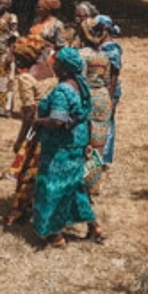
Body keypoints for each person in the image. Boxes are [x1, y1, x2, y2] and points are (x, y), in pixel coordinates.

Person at [32, 48, 102, 248]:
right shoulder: (81, 86)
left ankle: (55, 235)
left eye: (56, 63)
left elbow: (57, 121)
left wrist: (37, 121)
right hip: (78, 141)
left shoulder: (62, 90)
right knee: (75, 185)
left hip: (60, 146)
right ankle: (94, 225)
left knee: (52, 187)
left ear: (64, 68)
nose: (53, 65)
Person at [3, 36, 57, 225]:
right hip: (53, 124)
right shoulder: (50, 69)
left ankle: (19, 210)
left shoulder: (26, 78)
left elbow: (28, 114)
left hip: (37, 128)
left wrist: (20, 140)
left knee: (27, 169)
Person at [77, 18, 113, 186]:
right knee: (98, 142)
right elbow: (107, 80)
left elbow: (80, 80)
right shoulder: (103, 56)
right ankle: (93, 182)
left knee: (83, 141)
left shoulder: (82, 54)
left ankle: (82, 183)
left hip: (88, 98)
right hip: (103, 98)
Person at [95, 15, 123, 166]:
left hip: (109, 89)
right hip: (102, 88)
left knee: (107, 121)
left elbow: (114, 74)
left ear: (105, 29)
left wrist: (110, 97)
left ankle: (104, 157)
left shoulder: (111, 49)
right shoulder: (100, 45)